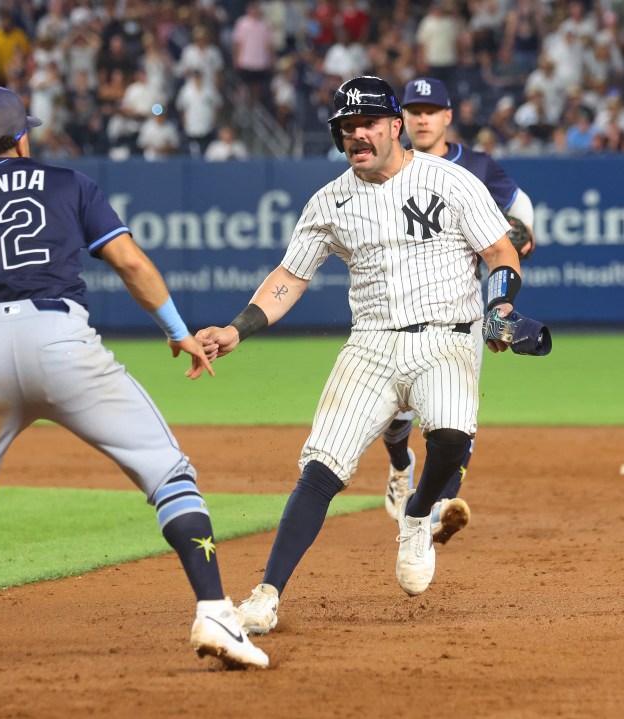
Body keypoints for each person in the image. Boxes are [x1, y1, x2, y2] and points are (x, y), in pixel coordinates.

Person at [0, 86, 269, 673]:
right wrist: (177, 330)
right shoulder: (66, 183)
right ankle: (215, 612)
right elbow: (131, 263)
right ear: (21, 136)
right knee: (168, 474)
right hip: (61, 342)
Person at [194, 76, 523, 634]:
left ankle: (417, 514)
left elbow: (500, 252)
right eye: (347, 128)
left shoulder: (451, 180)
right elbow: (290, 276)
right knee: (320, 469)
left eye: (368, 123)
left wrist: (502, 307)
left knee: (450, 437)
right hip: (370, 344)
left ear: (396, 126)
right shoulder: (329, 201)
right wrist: (237, 328)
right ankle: (266, 593)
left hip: (445, 337)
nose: (357, 135)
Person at [382, 76, 538, 543]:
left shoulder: (476, 165)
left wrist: (522, 231)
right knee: (395, 419)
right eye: (414, 110)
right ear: (400, 119)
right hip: (390, 306)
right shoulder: (384, 165)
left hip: (459, 304)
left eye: (431, 110)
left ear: (448, 116)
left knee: (456, 407)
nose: (422, 117)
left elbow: (519, 207)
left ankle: (441, 505)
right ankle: (399, 464)